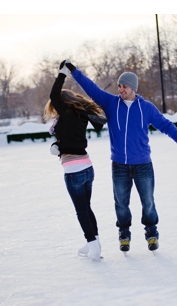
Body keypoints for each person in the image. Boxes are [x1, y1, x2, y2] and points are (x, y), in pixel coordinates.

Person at [64, 60, 177, 253]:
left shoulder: (146, 108)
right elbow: (92, 88)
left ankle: (151, 233)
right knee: (121, 203)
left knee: (148, 202)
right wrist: (74, 71)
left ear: (133, 88)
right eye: (119, 86)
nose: (120, 89)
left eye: (124, 86)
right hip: (119, 165)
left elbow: (164, 124)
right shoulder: (111, 103)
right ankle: (124, 234)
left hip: (143, 165)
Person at [44, 61, 107, 261]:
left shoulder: (68, 113)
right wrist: (58, 147)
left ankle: (94, 247)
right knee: (86, 208)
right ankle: (94, 243)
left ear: (63, 102)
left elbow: (54, 94)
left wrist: (62, 73)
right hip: (87, 167)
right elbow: (71, 139)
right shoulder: (79, 114)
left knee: (81, 211)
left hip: (74, 171)